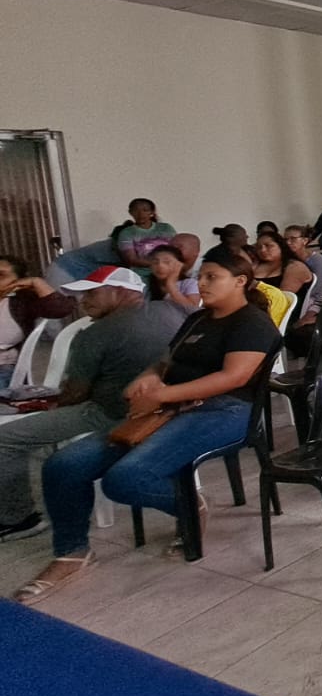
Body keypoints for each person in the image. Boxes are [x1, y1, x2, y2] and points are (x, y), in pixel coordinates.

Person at [15, 250, 282, 601]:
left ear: (240, 281)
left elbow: (234, 377)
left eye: (212, 277)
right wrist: (149, 378)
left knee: (125, 479)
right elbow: (165, 361)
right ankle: (72, 553)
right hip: (174, 406)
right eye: (201, 276)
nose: (202, 283)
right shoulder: (198, 319)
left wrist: (163, 395)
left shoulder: (251, 323)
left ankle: (190, 504)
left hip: (226, 411)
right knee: (63, 465)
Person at [0, 267, 185, 541]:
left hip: (111, 413)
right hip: (176, 408)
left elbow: (76, 394)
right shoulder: (174, 310)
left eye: (92, 293)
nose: (83, 301)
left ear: (121, 291)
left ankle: (19, 519)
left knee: (6, 438)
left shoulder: (94, 334)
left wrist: (48, 406)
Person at [0, 256, 75, 390]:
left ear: (18, 281)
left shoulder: (21, 302)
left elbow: (60, 309)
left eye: (1, 275)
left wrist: (37, 282)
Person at [114, 198, 178, 279]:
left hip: (169, 271)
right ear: (130, 212)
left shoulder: (166, 228)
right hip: (142, 275)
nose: (140, 214)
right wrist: (158, 264)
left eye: (145, 210)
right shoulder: (126, 233)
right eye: (136, 210)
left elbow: (177, 251)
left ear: (152, 212)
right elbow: (131, 259)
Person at [251, 229, 313, 299]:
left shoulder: (295, 267)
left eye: (268, 246)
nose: (262, 250)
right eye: (259, 247)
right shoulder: (256, 264)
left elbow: (282, 298)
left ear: (281, 246)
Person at [146, 244, 200, 315]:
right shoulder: (144, 283)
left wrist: (171, 285)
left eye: (167, 262)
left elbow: (193, 310)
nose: (160, 266)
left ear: (179, 265)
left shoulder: (190, 283)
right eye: (155, 262)